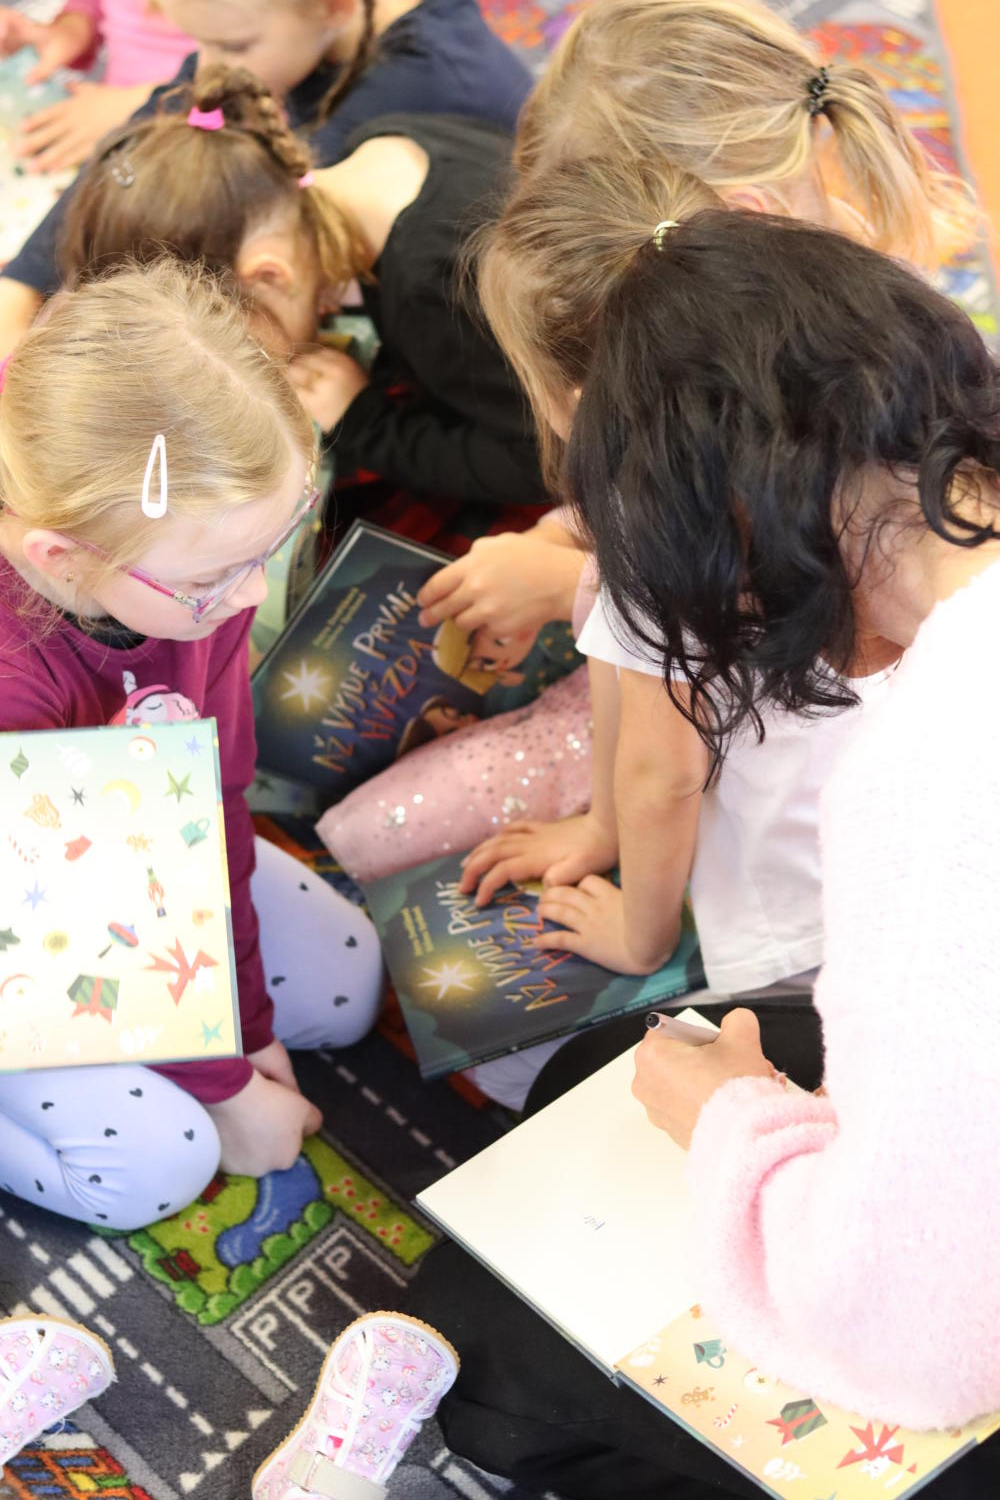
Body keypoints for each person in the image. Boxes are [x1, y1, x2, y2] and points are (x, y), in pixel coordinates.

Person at [410, 211, 1000, 1496]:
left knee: (481, 1367)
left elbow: (918, 1340)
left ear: (732, 521)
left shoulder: (931, 774)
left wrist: (738, 1122)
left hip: (940, 1333)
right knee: (600, 1065)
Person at [0, 259, 384, 1231]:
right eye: (217, 577)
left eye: (270, 548)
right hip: (28, 911)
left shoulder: (191, 563)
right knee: (158, 1167)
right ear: (62, 558)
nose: (250, 597)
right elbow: (76, 922)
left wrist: (242, 1031)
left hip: (116, 871)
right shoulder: (17, 676)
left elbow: (208, 806)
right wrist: (223, 1089)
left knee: (343, 986)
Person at [57, 66, 546, 505]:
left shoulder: (430, 291)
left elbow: (544, 460)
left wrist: (365, 422)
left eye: (233, 341)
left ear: (270, 276)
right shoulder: (381, 143)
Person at [0, 0, 531, 353]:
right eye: (197, 44)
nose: (208, 69)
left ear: (335, 8)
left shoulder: (425, 83)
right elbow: (164, 125)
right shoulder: (289, 28)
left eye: (232, 47)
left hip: (469, 320)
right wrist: (21, 282)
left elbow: (233, 203)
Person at [0, 0, 194, 173]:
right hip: (102, 130)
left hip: (183, 142)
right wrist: (68, 31)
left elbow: (213, 78)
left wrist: (139, 105)